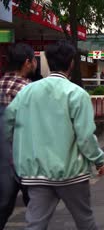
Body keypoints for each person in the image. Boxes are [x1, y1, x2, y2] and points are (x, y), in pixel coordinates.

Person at [4, 41, 104, 229]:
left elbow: (7, 124)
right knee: (85, 221)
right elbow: (85, 137)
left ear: (48, 62)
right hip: (71, 173)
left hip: (36, 172)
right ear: (71, 63)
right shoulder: (76, 94)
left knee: (35, 224)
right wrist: (99, 160)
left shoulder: (27, 92)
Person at [0, 43, 37, 229]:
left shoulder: (1, 84)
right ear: (27, 62)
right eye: (34, 59)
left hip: (3, 155)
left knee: (4, 205)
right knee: (36, 205)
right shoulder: (27, 89)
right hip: (23, 155)